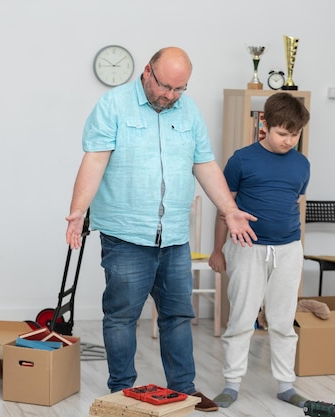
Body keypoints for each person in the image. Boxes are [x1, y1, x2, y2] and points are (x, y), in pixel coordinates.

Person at [65, 46, 257, 413]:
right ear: (148, 72)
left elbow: (205, 163)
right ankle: (122, 393)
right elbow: (95, 160)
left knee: (178, 315)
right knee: (122, 317)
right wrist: (77, 211)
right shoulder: (114, 105)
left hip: (173, 236)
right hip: (126, 235)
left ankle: (184, 389)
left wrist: (229, 209)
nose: (171, 96)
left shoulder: (188, 110)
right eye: (166, 87)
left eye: (179, 89)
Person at [208, 92, 311, 409]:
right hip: (246, 249)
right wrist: (217, 250)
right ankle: (232, 383)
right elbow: (224, 209)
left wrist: (293, 245)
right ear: (264, 124)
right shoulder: (242, 159)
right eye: (283, 133)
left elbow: (293, 205)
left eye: (295, 134)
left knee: (282, 321)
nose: (289, 141)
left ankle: (285, 385)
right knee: (240, 319)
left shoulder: (301, 164)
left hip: (289, 249)